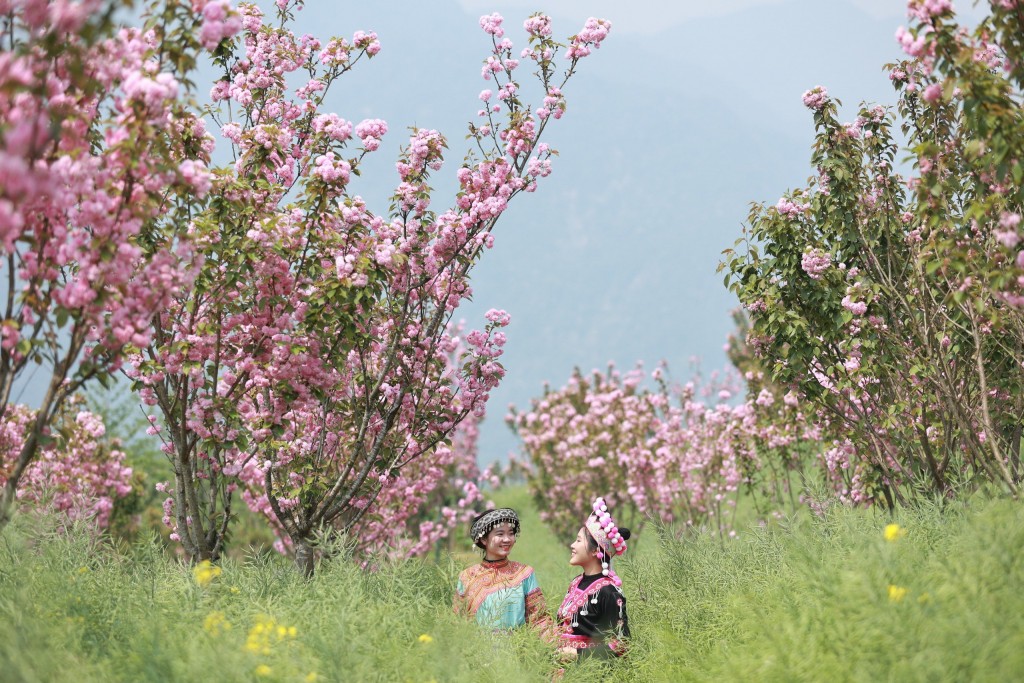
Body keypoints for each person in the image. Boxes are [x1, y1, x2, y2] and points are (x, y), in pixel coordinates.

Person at [555, 497, 631, 660]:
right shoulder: (576, 582)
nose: (572, 545)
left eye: (578, 540)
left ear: (594, 550)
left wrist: (578, 654)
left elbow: (621, 644)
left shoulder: (609, 592)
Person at [453, 508, 549, 631]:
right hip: (477, 648)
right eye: (500, 534)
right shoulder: (467, 576)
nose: (507, 539)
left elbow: (539, 619)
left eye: (511, 533)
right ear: (483, 539)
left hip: (518, 647)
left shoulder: (524, 573)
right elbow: (458, 622)